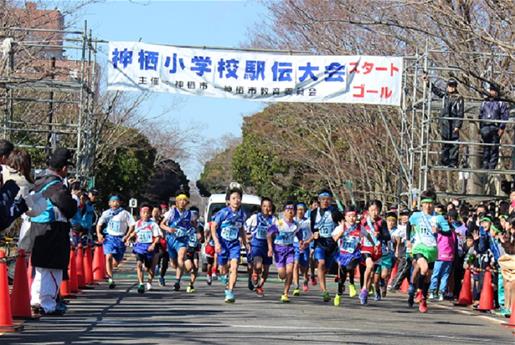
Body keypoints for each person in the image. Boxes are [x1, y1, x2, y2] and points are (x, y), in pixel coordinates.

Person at [30, 148, 77, 316]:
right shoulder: (56, 185)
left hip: (36, 226)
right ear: (63, 168)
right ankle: (48, 304)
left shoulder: (38, 180)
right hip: (53, 228)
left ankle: (35, 300)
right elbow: (69, 208)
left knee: (40, 267)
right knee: (53, 268)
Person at [407, 190, 450, 313]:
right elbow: (409, 225)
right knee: (423, 269)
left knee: (427, 277)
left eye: (430, 203)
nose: (428, 206)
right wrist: (409, 240)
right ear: (422, 204)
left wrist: (439, 230)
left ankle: (423, 299)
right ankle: (419, 292)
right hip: (419, 247)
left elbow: (448, 232)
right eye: (425, 203)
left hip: (432, 249)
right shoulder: (416, 215)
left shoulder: (439, 217)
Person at [210, 185, 248, 303]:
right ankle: (224, 277)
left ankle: (230, 292)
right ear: (228, 201)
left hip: (234, 244)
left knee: (235, 267)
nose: (236, 200)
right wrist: (216, 242)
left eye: (238, 198)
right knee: (222, 269)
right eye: (233, 198)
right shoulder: (223, 213)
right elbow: (213, 227)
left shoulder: (243, 214)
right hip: (222, 243)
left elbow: (241, 229)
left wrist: (245, 242)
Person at [423, 74, 464, 167]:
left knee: (454, 143)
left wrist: (458, 125)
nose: (451, 88)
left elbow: (460, 112)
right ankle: (445, 161)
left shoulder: (458, 98)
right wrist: (428, 82)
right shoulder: (445, 96)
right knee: (445, 143)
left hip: (453, 123)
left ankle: (453, 162)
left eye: (453, 86)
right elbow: (436, 91)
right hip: (445, 123)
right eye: (450, 86)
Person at [267, 201, 304, 303]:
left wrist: (301, 241)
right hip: (279, 250)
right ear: (284, 212)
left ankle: (285, 293)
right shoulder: (279, 223)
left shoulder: (296, 225)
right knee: (283, 274)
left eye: (292, 209)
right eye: (288, 209)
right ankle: (281, 275)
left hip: (290, 249)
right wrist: (270, 248)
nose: (290, 211)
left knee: (290, 271)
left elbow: (299, 234)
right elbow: (269, 234)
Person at [96, 194, 135, 289]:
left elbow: (132, 225)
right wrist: (99, 234)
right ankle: (110, 279)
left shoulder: (125, 213)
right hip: (109, 238)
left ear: (120, 203)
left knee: (116, 262)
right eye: (113, 201)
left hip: (120, 239)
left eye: (117, 201)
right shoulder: (106, 213)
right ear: (109, 203)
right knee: (108, 256)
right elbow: (99, 225)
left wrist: (127, 235)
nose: (115, 203)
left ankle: (109, 271)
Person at [310, 189, 342, 302]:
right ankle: (324, 291)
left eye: (327, 199)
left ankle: (319, 277)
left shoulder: (335, 212)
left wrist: (339, 235)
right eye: (323, 199)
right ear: (319, 200)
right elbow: (313, 228)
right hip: (320, 242)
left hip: (332, 243)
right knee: (321, 263)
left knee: (326, 269)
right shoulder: (314, 213)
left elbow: (342, 224)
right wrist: (314, 234)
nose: (325, 201)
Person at [160, 192, 193, 291]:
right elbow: (161, 224)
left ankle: (177, 282)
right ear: (177, 202)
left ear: (187, 203)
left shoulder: (190, 214)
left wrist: (194, 233)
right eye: (180, 200)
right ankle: (180, 270)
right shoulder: (171, 212)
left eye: (184, 200)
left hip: (182, 240)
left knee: (181, 257)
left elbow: (193, 225)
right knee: (174, 264)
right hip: (171, 240)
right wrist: (168, 229)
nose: (182, 202)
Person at [332, 206, 364, 306]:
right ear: (345, 217)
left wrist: (374, 244)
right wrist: (341, 233)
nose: (351, 218)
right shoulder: (340, 227)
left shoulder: (360, 227)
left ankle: (351, 285)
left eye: (353, 216)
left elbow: (369, 236)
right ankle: (338, 294)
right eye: (349, 216)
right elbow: (333, 240)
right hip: (343, 254)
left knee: (351, 266)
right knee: (342, 277)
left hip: (355, 254)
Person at [359, 200, 390, 304]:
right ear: (368, 210)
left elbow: (387, 236)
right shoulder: (363, 221)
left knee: (373, 275)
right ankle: (364, 288)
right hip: (365, 248)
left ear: (380, 210)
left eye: (376, 210)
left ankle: (366, 292)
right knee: (369, 266)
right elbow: (359, 233)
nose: (374, 213)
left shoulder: (382, 222)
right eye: (372, 210)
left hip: (377, 250)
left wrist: (380, 235)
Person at [125, 204, 161, 293]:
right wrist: (128, 238)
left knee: (149, 268)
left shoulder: (153, 224)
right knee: (139, 264)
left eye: (147, 213)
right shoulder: (137, 223)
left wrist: (153, 245)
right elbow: (134, 233)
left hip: (149, 249)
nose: (145, 214)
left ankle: (149, 280)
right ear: (140, 213)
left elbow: (158, 237)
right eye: (143, 212)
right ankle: (141, 284)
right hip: (139, 248)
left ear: (150, 214)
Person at [245, 197, 276, 297]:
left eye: (269, 206)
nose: (267, 208)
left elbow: (277, 232)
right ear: (261, 207)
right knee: (258, 265)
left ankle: (259, 286)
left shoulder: (274, 220)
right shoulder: (255, 218)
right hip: (256, 244)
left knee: (266, 271)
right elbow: (244, 228)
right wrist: (246, 237)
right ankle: (254, 274)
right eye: (264, 206)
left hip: (268, 246)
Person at [479, 83, 510, 170]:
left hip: (495, 127)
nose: (492, 92)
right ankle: (485, 165)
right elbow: (480, 115)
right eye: (491, 90)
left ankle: (492, 166)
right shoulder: (484, 102)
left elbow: (505, 116)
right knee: (486, 147)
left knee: (494, 147)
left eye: (494, 91)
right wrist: (481, 128)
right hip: (485, 127)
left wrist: (502, 127)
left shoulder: (500, 103)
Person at [293, 202, 312, 295]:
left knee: (304, 266)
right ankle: (296, 286)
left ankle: (305, 278)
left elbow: (313, 234)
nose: (300, 211)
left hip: (305, 246)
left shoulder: (308, 221)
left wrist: (308, 242)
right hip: (295, 245)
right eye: (298, 209)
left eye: (302, 209)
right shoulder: (292, 221)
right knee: (295, 264)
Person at [184, 206, 203, 293]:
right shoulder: (185, 225)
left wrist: (201, 237)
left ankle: (190, 284)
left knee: (196, 266)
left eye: (195, 214)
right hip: (187, 249)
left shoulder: (200, 226)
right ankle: (182, 269)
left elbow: (202, 239)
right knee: (189, 267)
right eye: (192, 214)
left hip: (195, 249)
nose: (194, 216)